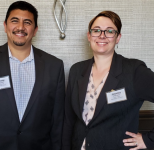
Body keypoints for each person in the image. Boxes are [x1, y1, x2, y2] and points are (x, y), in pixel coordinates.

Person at [0, 1, 65, 150]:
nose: (20, 27)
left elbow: (57, 120)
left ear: (35, 30)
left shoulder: (54, 66)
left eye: (27, 22)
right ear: (5, 26)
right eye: (15, 21)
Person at [63, 10, 154, 150]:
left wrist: (149, 140)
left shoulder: (135, 70)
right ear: (89, 36)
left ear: (118, 38)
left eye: (110, 31)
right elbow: (69, 119)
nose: (102, 36)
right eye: (96, 30)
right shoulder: (77, 70)